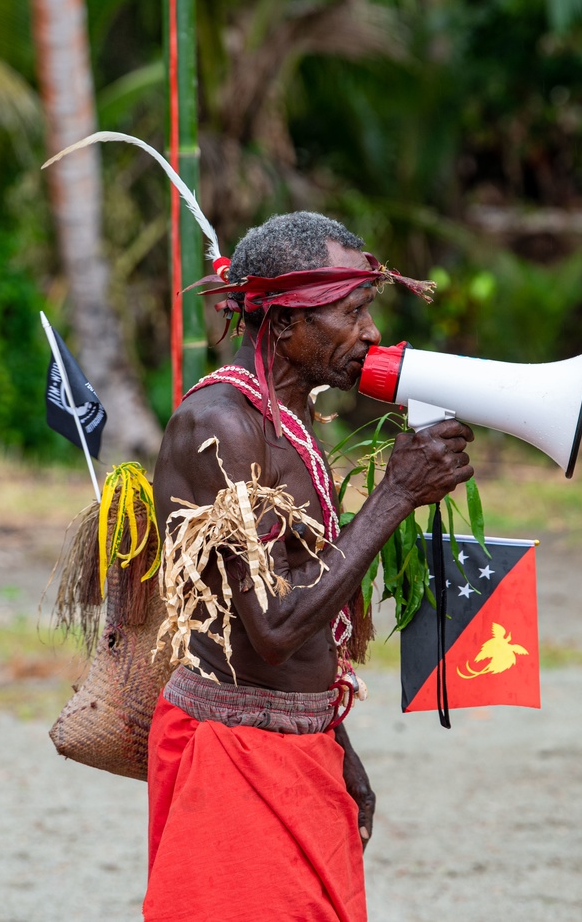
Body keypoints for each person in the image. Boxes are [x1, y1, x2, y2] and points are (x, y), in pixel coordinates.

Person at [143, 211, 474, 921]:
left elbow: (307, 591)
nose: (372, 333)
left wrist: (337, 741)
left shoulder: (289, 422)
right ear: (285, 323)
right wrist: (396, 494)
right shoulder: (222, 426)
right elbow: (271, 625)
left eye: (369, 310)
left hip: (296, 745)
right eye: (350, 312)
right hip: (233, 757)